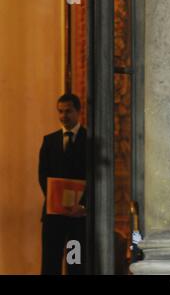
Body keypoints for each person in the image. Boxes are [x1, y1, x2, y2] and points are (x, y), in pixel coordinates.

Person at [38, 94, 87, 275]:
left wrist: (82, 204)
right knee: (50, 262)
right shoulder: (49, 141)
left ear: (78, 112)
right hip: (53, 215)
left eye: (68, 111)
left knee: (75, 262)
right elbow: (42, 174)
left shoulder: (88, 140)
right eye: (60, 111)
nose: (63, 116)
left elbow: (94, 176)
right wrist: (54, 199)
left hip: (78, 217)